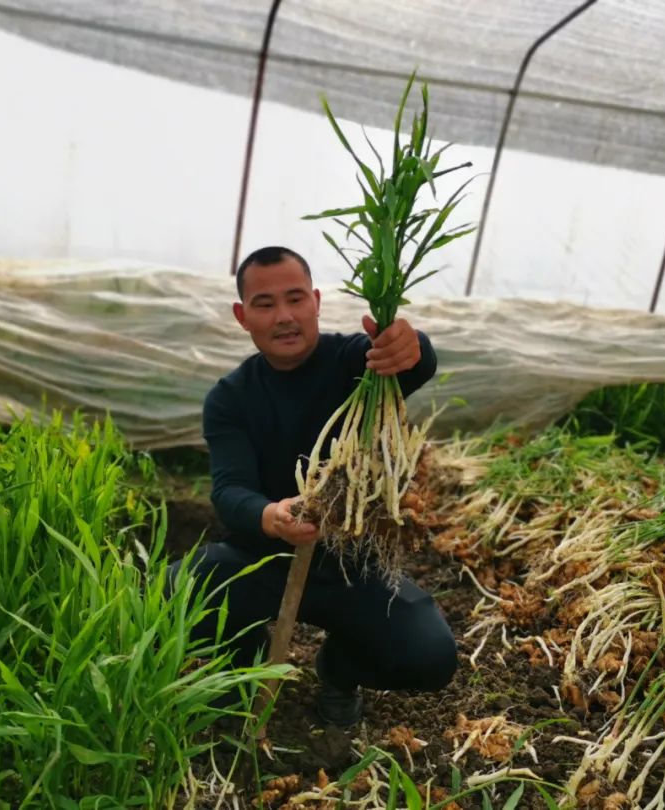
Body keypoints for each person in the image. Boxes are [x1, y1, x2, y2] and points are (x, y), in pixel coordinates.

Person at [170, 245, 457, 727]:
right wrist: (271, 516)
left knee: (428, 655)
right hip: (260, 558)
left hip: (352, 564)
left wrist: (413, 346)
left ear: (317, 302)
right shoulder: (230, 398)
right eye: (265, 304)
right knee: (169, 600)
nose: (284, 316)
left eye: (295, 299)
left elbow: (412, 362)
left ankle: (339, 671)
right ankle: (242, 657)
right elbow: (229, 490)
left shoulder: (354, 363)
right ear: (243, 316)